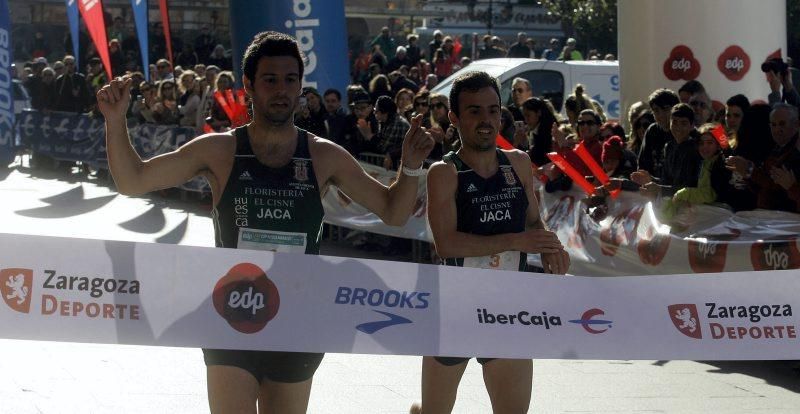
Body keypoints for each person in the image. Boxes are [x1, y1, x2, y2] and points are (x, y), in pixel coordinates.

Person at [97, 31, 434, 414]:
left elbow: (392, 211)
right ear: (248, 86)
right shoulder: (221, 150)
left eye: (291, 80)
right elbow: (133, 180)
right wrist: (114, 121)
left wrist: (411, 166)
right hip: (230, 314)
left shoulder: (324, 156)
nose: (281, 90)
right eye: (270, 80)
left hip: (298, 318)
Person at [411, 70, 569, 414]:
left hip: (508, 307)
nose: (486, 120)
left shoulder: (518, 162)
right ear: (454, 118)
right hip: (454, 307)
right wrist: (517, 240)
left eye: (493, 110)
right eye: (474, 111)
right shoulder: (444, 172)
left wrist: (552, 247)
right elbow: (447, 244)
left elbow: (533, 221)